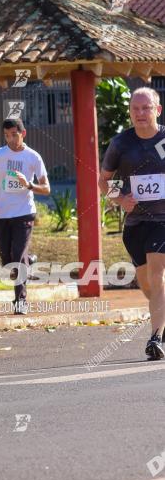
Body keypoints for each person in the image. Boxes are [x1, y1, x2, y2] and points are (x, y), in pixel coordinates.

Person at [99, 87, 165, 361]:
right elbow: (104, 181)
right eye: (135, 109)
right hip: (135, 222)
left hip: (162, 220)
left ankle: (155, 339)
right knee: (147, 285)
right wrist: (120, 198)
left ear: (157, 110)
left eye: (146, 108)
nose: (140, 113)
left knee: (156, 274)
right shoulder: (120, 144)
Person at [0, 118, 50, 312]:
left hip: (24, 213)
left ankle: (21, 301)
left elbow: (46, 188)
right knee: (7, 261)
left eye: (14, 135)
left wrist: (28, 185)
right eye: (6, 135)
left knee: (18, 256)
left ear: (23, 133)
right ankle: (30, 261)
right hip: (1, 214)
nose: (10, 139)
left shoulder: (33, 157)